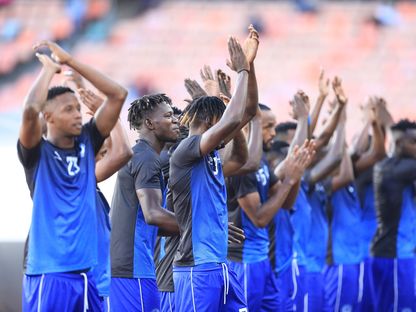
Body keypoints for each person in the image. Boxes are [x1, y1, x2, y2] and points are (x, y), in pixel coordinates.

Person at [18, 41, 127, 311]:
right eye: (68, 110)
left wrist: (72, 61)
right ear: (49, 118)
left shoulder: (87, 143)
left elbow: (118, 95)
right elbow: (30, 111)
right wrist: (49, 70)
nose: (78, 114)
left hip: (87, 275)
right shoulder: (36, 154)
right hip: (50, 273)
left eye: (78, 108)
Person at [170, 36, 255, 311]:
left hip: (218, 263)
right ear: (208, 122)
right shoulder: (186, 151)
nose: (227, 133)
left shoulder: (212, 155)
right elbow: (233, 120)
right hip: (197, 269)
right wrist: (241, 70)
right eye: (221, 127)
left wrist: (249, 69)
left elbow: (242, 144)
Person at [109, 93, 180, 311]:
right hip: (132, 266)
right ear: (150, 123)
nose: (176, 120)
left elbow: (147, 221)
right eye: (168, 116)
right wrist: (205, 226)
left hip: (131, 264)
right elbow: (153, 214)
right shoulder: (147, 158)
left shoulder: (142, 155)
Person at [370, 119, 416, 311]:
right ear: (399, 144)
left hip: (400, 254)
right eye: (414, 142)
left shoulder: (405, 169)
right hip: (394, 256)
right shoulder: (388, 169)